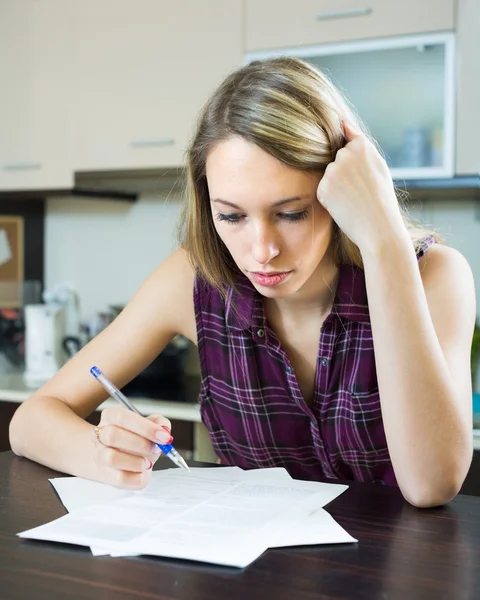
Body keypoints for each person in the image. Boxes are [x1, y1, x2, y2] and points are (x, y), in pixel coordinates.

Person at [9, 57, 476, 508]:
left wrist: (384, 240)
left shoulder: (435, 276)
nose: (262, 250)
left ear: (344, 192)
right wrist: (103, 451)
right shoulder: (194, 278)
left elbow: (430, 484)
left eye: (291, 213)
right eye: (231, 216)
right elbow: (30, 421)